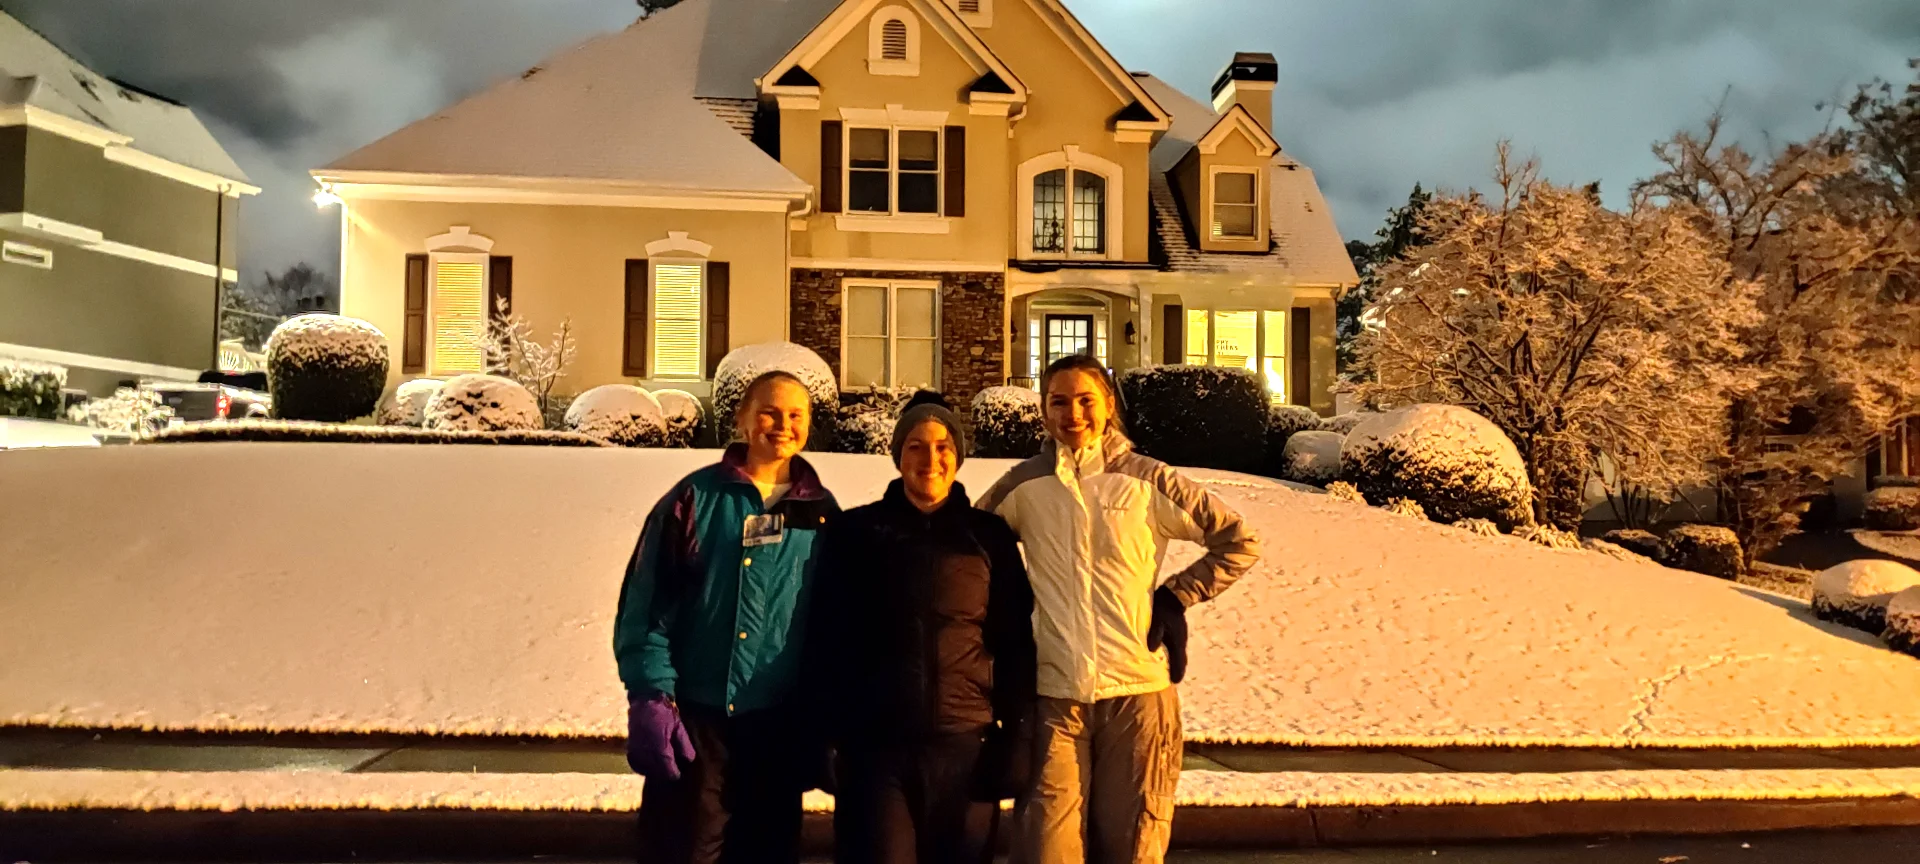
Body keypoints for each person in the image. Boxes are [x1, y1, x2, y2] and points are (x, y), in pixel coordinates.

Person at [979, 355, 1260, 864]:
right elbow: (963, 547)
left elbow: (1238, 541)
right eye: (1059, 401)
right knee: (1047, 850)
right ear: (1044, 410)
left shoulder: (1148, 480)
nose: (1073, 414)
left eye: (1086, 400)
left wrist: (1176, 596)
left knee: (1130, 849)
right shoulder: (1023, 486)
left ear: (1108, 404)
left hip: (1137, 694)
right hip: (1054, 697)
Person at [613, 371, 840, 864]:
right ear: (742, 419)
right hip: (697, 723)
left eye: (795, 415)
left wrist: (827, 714)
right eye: (769, 413)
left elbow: (833, 625)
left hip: (777, 729)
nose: (782, 426)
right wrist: (651, 694)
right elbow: (647, 605)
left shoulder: (821, 512)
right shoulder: (694, 499)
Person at [805, 392, 1037, 864]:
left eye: (942, 446)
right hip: (876, 751)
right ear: (898, 456)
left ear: (958, 456)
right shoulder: (857, 532)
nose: (930, 459)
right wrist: (822, 732)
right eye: (915, 446)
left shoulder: (988, 536)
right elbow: (828, 639)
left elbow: (1014, 641)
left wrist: (1017, 735)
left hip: (966, 748)